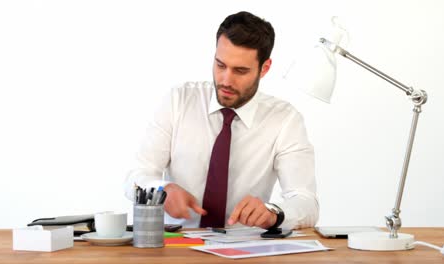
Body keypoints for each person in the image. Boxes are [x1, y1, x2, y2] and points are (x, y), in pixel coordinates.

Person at [125, 11, 318, 230]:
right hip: (176, 247)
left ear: (264, 69)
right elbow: (136, 176)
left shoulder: (285, 120)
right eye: (220, 65)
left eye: (240, 71)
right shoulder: (179, 101)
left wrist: (273, 213)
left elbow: (306, 202)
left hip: (245, 250)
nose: (226, 80)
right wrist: (161, 190)